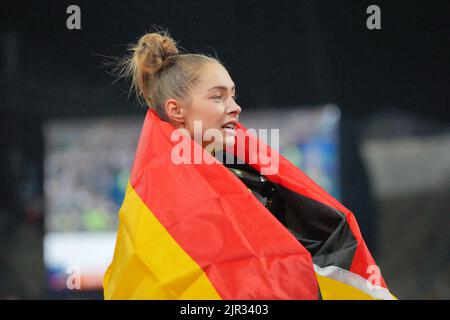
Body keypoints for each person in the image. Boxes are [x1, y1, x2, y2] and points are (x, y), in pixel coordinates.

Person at [103, 29, 395, 300]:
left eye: (233, 94)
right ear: (176, 110)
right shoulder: (154, 198)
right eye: (218, 97)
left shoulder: (248, 177)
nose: (234, 106)